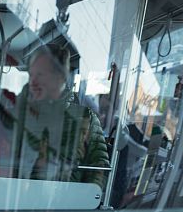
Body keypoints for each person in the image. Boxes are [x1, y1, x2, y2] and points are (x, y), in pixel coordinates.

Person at [11, 44, 109, 188]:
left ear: (60, 76)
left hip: (66, 205)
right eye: (31, 74)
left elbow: (99, 167)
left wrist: (82, 202)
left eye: (40, 74)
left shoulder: (85, 119)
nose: (32, 82)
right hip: (20, 203)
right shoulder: (17, 115)